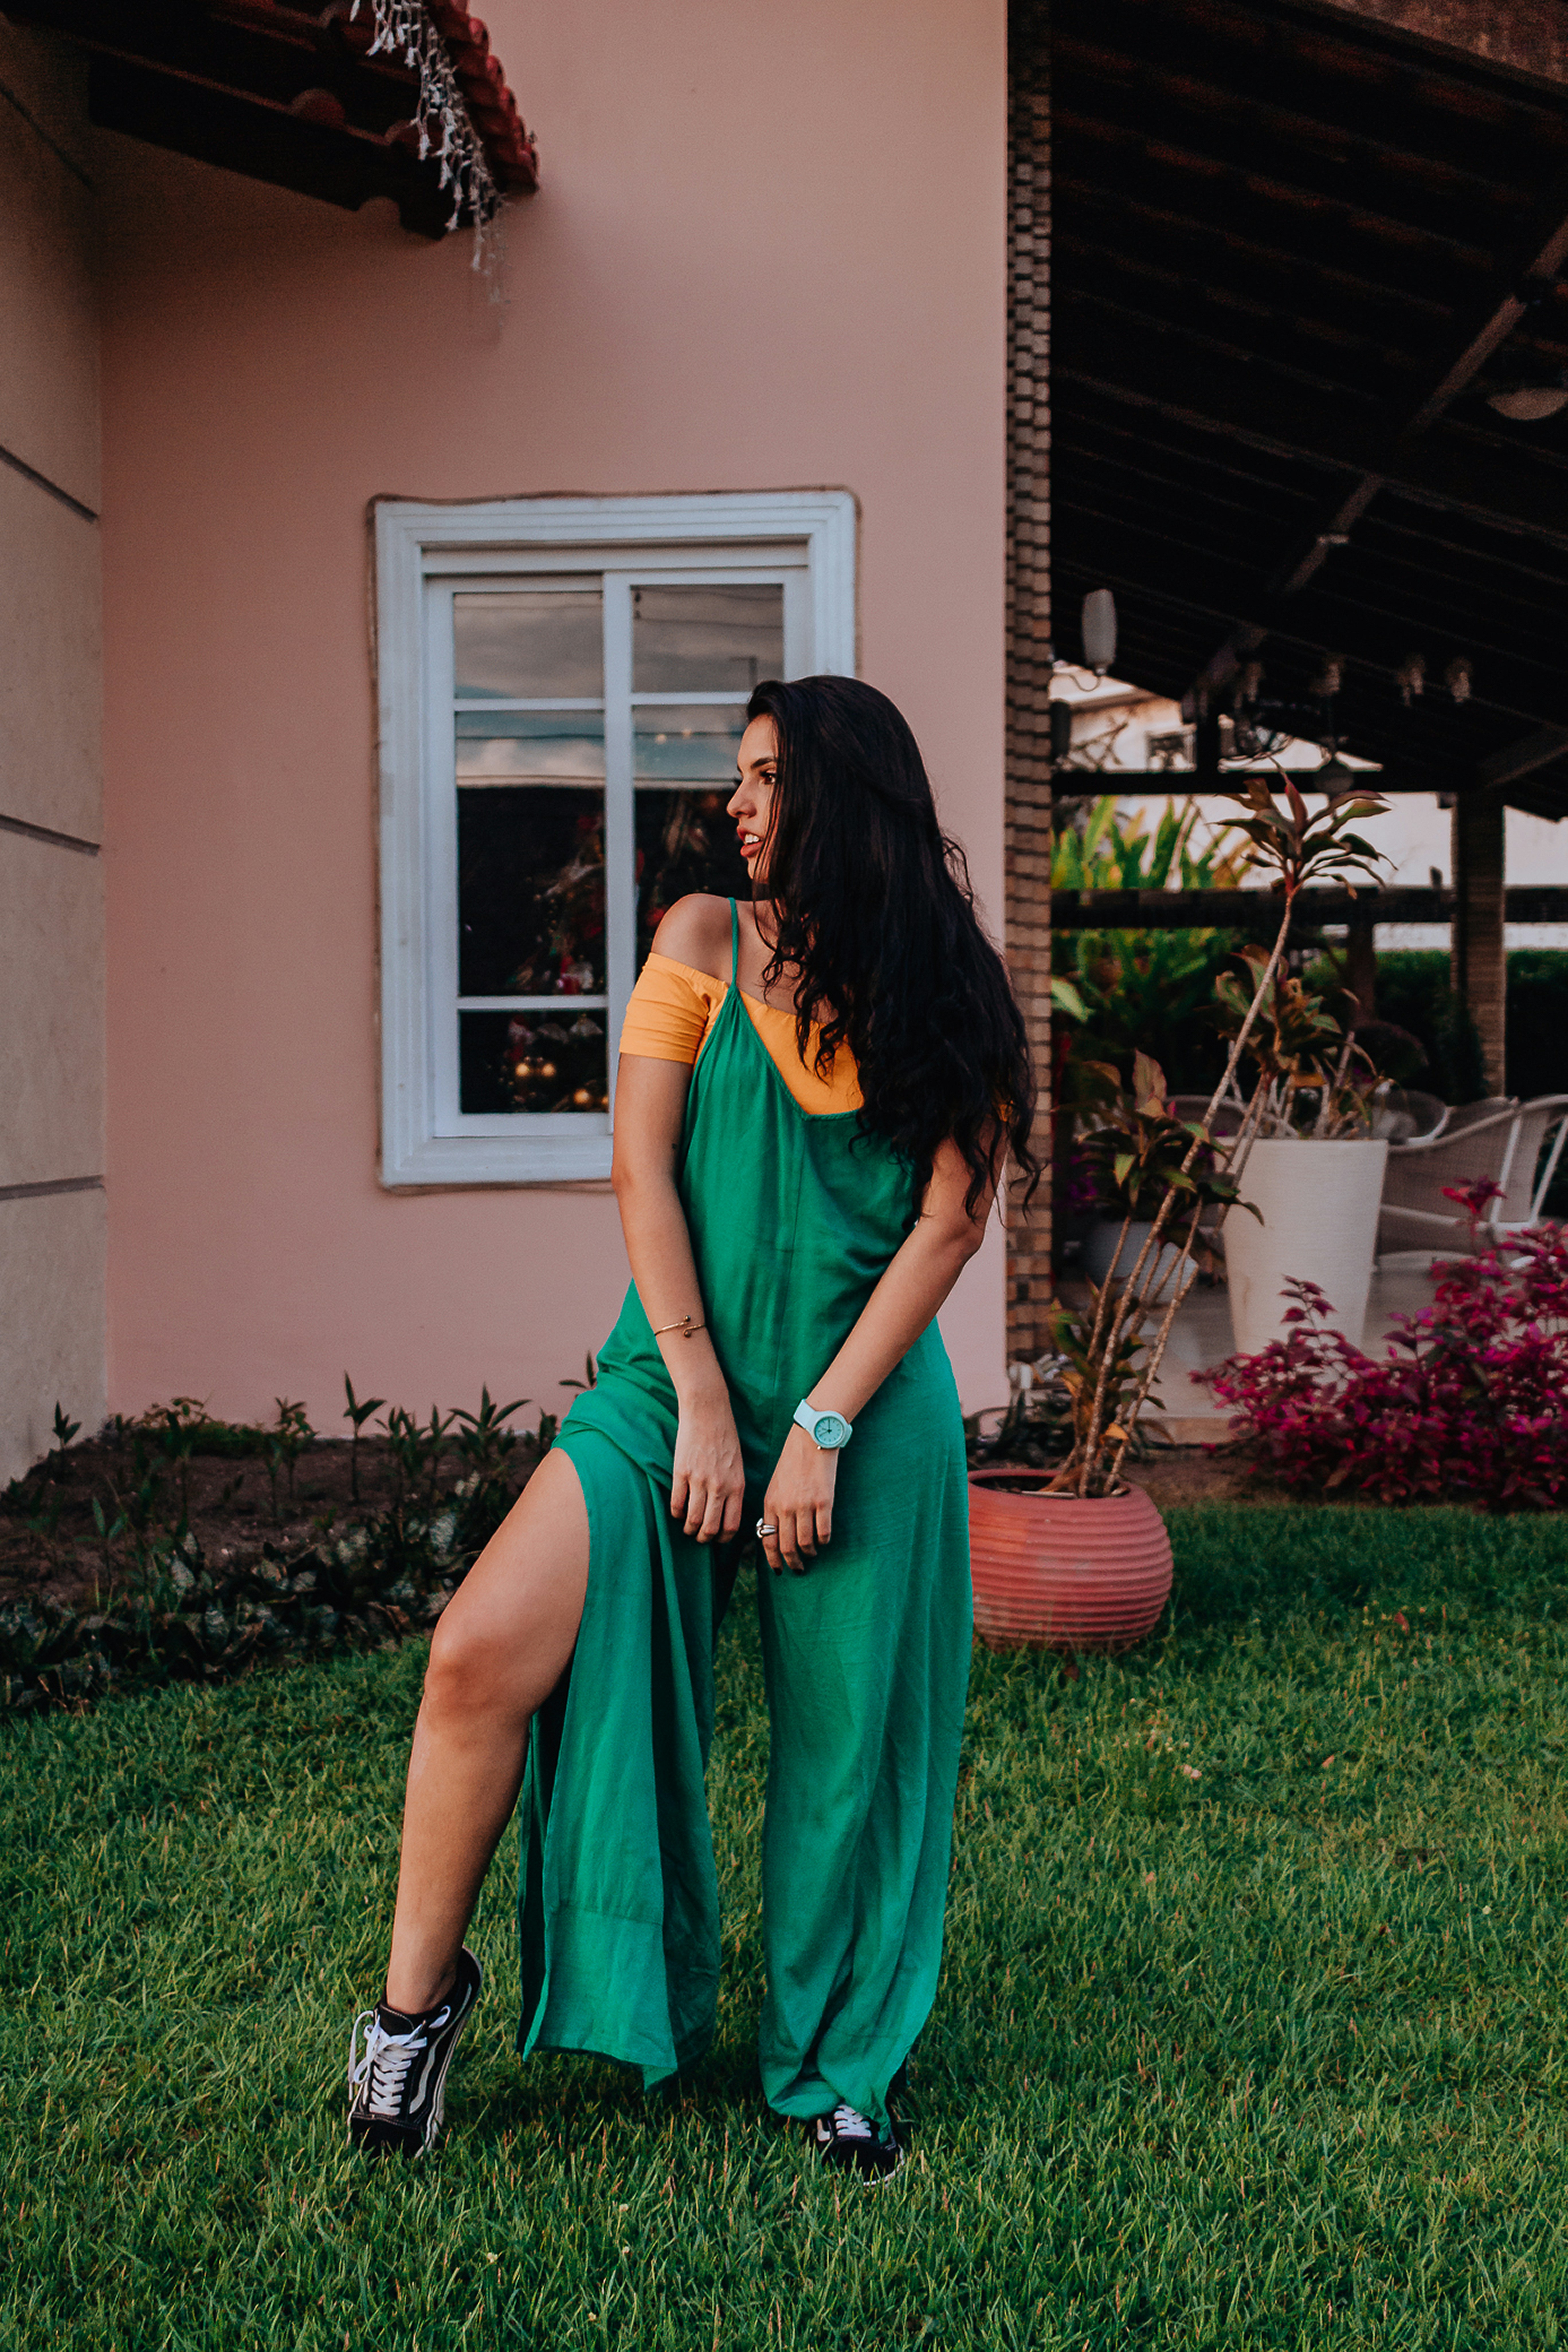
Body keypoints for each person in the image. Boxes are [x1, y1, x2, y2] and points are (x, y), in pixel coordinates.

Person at [348, 675, 1038, 2176]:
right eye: (740, 772)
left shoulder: (955, 988)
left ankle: (833, 2067)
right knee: (478, 1652)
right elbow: (642, 1170)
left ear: (846, 797)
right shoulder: (703, 941)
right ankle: (410, 2018)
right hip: (672, 1385)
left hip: (863, 1404)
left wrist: (826, 1427)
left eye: (769, 774)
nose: (737, 801)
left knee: (854, 1756)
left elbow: (946, 1229)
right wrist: (710, 1403)